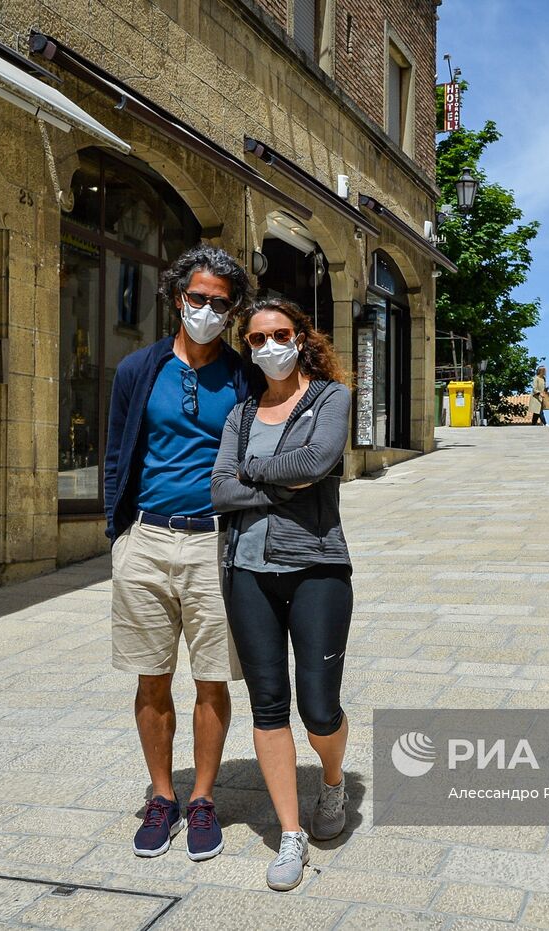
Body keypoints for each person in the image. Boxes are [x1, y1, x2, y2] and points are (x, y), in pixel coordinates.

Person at [105, 244, 262, 863]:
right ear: (178, 298)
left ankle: (201, 798)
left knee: (213, 679)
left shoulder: (246, 377)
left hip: (214, 542)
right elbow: (120, 450)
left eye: (219, 304)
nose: (206, 310)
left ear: (231, 312)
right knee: (151, 678)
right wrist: (117, 533)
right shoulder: (137, 370)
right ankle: (161, 797)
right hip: (145, 539)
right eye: (197, 298)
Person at [211, 298, 354, 892]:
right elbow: (220, 491)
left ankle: (333, 777)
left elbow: (317, 460)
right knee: (268, 704)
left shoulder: (330, 398)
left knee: (318, 707)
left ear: (301, 338)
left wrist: (252, 472)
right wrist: (279, 478)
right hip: (246, 570)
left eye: (280, 334)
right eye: (257, 338)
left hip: (317, 565)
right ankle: (290, 833)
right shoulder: (241, 415)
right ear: (247, 346)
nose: (269, 345)